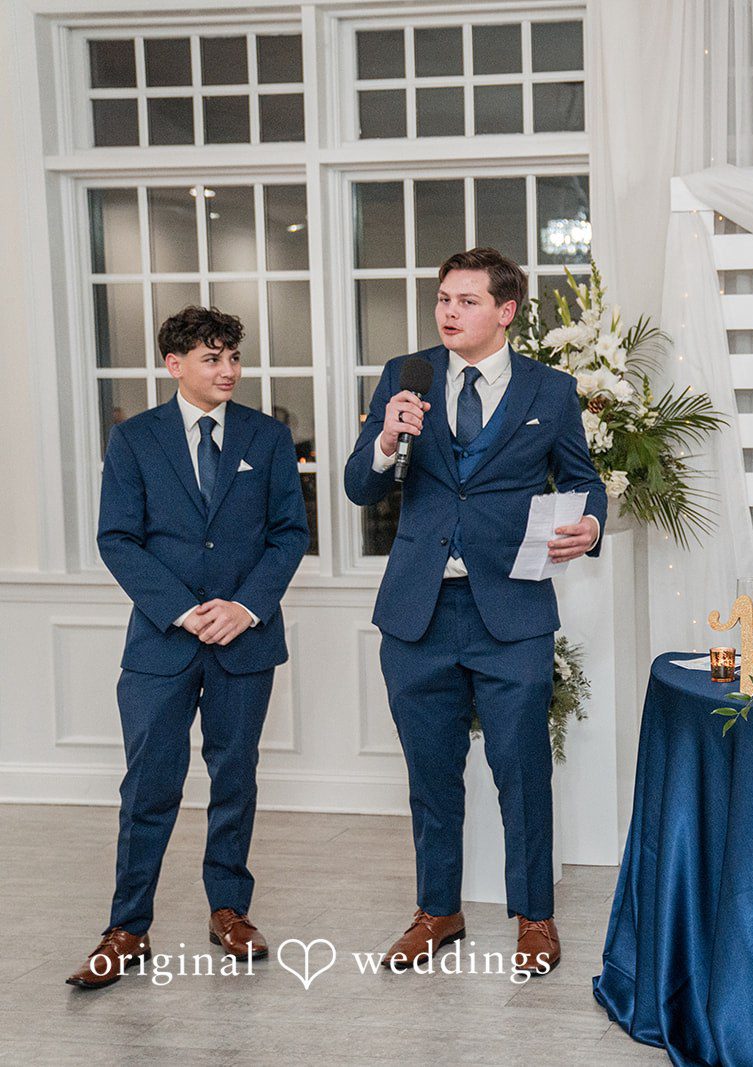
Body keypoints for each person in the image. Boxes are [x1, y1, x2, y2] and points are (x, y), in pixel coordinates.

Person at [344, 247, 605, 978]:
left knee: (521, 769)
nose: (448, 312)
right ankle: (438, 910)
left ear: (506, 310)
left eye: (465, 300)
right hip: (417, 613)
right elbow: (359, 487)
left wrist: (591, 525)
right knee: (431, 773)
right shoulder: (407, 375)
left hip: (511, 611)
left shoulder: (550, 391)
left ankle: (535, 917)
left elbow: (583, 483)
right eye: (442, 298)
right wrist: (389, 438)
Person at [70, 306, 310, 989]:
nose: (228, 369)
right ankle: (127, 927)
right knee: (149, 785)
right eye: (212, 358)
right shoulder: (134, 439)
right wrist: (181, 610)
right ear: (174, 364)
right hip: (161, 643)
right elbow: (117, 537)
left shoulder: (268, 437)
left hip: (246, 640)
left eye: (232, 356)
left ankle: (229, 908)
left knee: (235, 779)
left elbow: (290, 533)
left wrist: (245, 606)